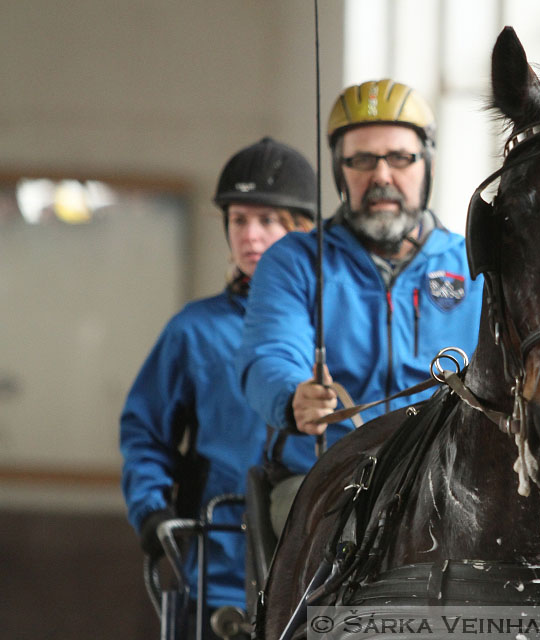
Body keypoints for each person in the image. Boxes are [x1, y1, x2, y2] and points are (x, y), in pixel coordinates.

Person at [236, 79, 483, 494]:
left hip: (450, 477)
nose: (381, 176)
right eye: (362, 160)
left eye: (401, 158)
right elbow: (269, 354)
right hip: (325, 474)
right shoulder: (294, 261)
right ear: (339, 171)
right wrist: (293, 395)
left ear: (429, 167)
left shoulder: (476, 264)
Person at [119, 137, 317, 625]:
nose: (250, 235)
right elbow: (145, 430)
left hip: (322, 576)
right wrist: (150, 508)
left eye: (268, 220)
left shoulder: (336, 324)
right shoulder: (193, 329)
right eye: (239, 220)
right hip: (217, 574)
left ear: (306, 230)